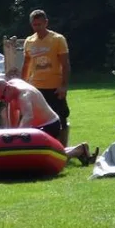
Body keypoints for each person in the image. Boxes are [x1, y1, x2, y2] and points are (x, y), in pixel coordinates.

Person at [0, 78, 96, 166]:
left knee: (40, 157)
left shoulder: (24, 96)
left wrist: (17, 139)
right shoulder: (12, 87)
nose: (3, 101)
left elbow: (28, 117)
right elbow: (13, 109)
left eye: (2, 97)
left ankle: (78, 151)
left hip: (49, 125)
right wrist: (11, 133)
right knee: (35, 154)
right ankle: (80, 149)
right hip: (38, 127)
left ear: (8, 88)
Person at [20, 9, 71, 145]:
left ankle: (63, 148)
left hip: (54, 87)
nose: (38, 28)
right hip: (36, 88)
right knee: (38, 119)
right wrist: (21, 84)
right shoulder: (29, 41)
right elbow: (26, 65)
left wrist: (63, 86)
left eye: (40, 24)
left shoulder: (58, 39)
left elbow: (65, 64)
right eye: (35, 25)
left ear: (46, 23)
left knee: (61, 117)